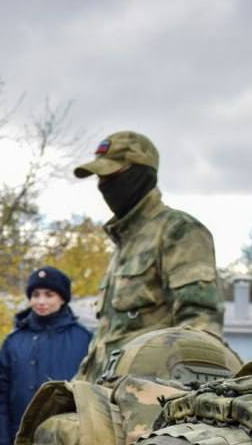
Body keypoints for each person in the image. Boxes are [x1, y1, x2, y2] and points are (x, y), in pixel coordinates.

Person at [72, 130, 224, 381]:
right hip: (105, 396)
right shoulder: (125, 243)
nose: (103, 185)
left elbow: (201, 330)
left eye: (112, 175)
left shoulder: (178, 231)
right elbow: (108, 339)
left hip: (148, 400)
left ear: (141, 174)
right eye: (99, 177)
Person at [0, 266, 92, 445]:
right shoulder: (14, 341)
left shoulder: (84, 340)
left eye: (49, 295)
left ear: (62, 298)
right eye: (35, 295)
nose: (41, 301)